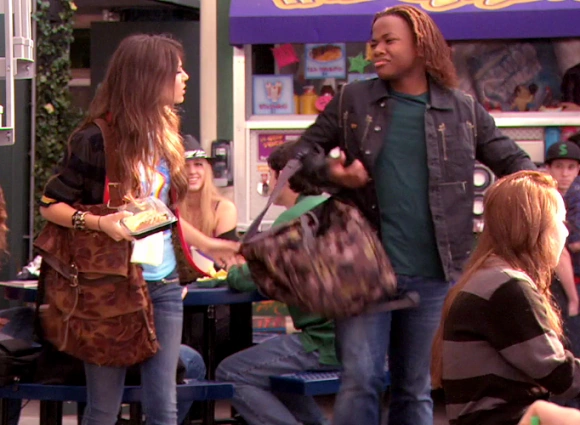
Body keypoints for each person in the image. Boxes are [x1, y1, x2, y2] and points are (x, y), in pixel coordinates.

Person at [295, 5, 535, 425]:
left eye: (389, 41)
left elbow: (515, 162)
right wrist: (333, 173)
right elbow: (296, 155)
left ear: (421, 47)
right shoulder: (354, 100)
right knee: (361, 380)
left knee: (415, 387)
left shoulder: (462, 110)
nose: (377, 50)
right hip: (363, 271)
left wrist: (531, 207)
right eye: (374, 42)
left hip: (434, 273)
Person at [39, 34, 238, 425]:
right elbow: (50, 205)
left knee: (163, 405)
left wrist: (211, 246)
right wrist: (100, 222)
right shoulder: (95, 139)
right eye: (176, 70)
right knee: (103, 408)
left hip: (164, 285)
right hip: (110, 287)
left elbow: (165, 214)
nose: (185, 77)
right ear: (148, 77)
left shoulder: (168, 136)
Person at [432, 171, 580, 425]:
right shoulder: (507, 288)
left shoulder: (487, 277)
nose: (566, 233)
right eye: (560, 221)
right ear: (534, 226)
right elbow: (558, 374)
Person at [216, 141, 337, 425]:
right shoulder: (334, 208)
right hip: (359, 339)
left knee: (231, 372)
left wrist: (232, 268)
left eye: (271, 175)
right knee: (269, 373)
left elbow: (247, 278)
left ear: (284, 176)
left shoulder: (292, 220)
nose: (269, 183)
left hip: (323, 342)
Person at [178, 135, 237, 241]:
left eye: (198, 164)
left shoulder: (224, 209)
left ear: (207, 170)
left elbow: (225, 250)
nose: (192, 171)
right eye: (185, 166)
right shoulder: (170, 209)